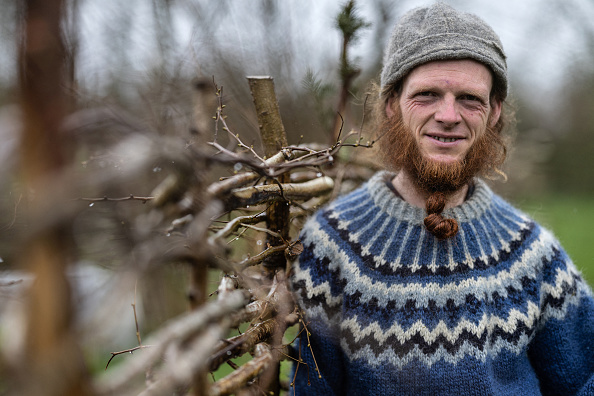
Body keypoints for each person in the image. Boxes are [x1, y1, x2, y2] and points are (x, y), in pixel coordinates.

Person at [289, 2, 594, 395]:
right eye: (427, 94)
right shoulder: (332, 247)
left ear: (494, 112)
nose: (448, 115)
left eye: (470, 98)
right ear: (391, 105)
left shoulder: (531, 254)